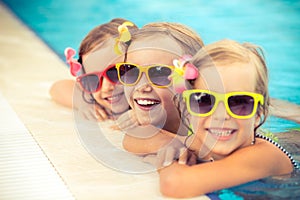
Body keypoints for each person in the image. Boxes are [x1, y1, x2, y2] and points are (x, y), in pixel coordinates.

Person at [145, 39, 298, 198]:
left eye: (239, 102)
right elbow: (135, 139)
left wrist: (165, 163)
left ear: (259, 113)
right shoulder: (200, 141)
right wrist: (170, 146)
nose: (221, 116)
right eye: (204, 100)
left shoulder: (266, 157)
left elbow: (174, 184)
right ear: (187, 109)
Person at [114, 22, 204, 154]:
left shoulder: (204, 120)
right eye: (130, 71)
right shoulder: (136, 114)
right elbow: (133, 139)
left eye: (159, 72)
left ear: (192, 81)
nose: (141, 86)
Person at [49, 18, 138, 121]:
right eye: (92, 79)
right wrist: (84, 104)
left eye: (116, 73)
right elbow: (57, 88)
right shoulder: (94, 95)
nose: (106, 88)